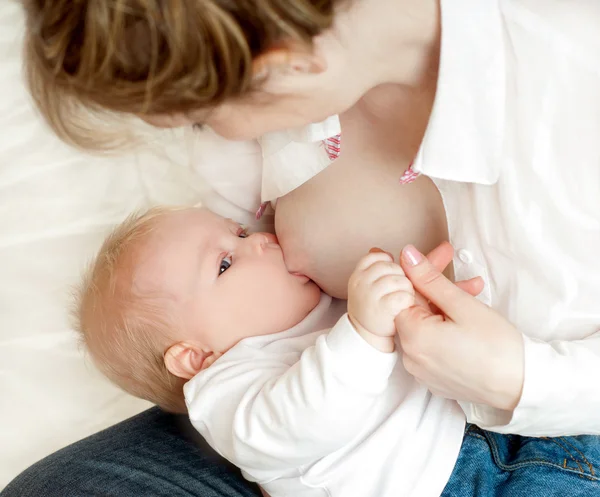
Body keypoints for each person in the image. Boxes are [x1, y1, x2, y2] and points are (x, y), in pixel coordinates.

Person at [6, 0, 600, 495]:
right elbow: (236, 345)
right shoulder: (227, 381)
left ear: (288, 63)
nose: (218, 136)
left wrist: (519, 378)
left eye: (202, 116)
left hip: (558, 433)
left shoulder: (572, 84)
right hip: (375, 455)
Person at [64, 204, 600, 496]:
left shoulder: (316, 314)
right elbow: (301, 418)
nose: (261, 241)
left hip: (505, 437)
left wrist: (419, 303)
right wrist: (365, 330)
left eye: (240, 232)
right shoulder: (225, 393)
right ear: (193, 356)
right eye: (226, 263)